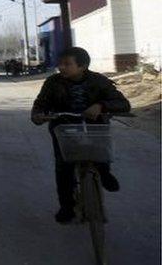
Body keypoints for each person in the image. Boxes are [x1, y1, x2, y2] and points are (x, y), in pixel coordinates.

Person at [30, 47, 131, 223]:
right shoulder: (53, 83)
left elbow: (123, 104)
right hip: (64, 128)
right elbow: (40, 104)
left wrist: (101, 106)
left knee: (100, 154)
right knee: (64, 168)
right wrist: (38, 116)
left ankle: (104, 172)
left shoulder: (99, 81)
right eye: (60, 63)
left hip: (94, 127)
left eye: (67, 64)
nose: (61, 67)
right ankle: (67, 207)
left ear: (82, 66)